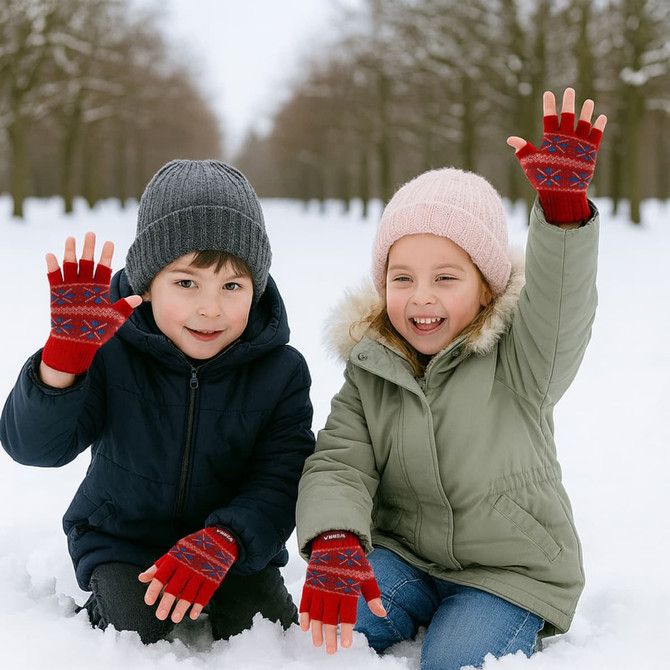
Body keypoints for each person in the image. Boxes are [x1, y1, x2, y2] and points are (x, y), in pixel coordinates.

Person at [296, 88, 606, 670]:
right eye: (402, 277)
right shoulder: (371, 366)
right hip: (404, 555)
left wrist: (563, 218)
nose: (421, 298)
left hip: (507, 571)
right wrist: (335, 536)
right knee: (336, 624)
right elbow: (340, 463)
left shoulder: (522, 359)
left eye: (446, 277)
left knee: (455, 659)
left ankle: (477, 621)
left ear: (485, 287)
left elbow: (561, 310)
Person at [0, 159, 315, 644]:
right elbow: (34, 448)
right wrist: (63, 364)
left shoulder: (281, 372)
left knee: (266, 633)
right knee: (134, 627)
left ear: (257, 289)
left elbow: (280, 479)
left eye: (232, 286)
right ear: (147, 285)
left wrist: (227, 539)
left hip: (231, 551)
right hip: (123, 542)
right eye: (186, 283)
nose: (209, 307)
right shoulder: (109, 351)